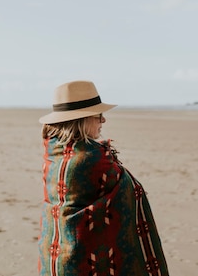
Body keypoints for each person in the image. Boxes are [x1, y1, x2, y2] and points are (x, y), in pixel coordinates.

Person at [38, 80, 169, 276]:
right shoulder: (90, 159)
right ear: (82, 119)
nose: (103, 121)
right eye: (99, 115)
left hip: (57, 259)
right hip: (82, 264)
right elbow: (128, 192)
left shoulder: (54, 154)